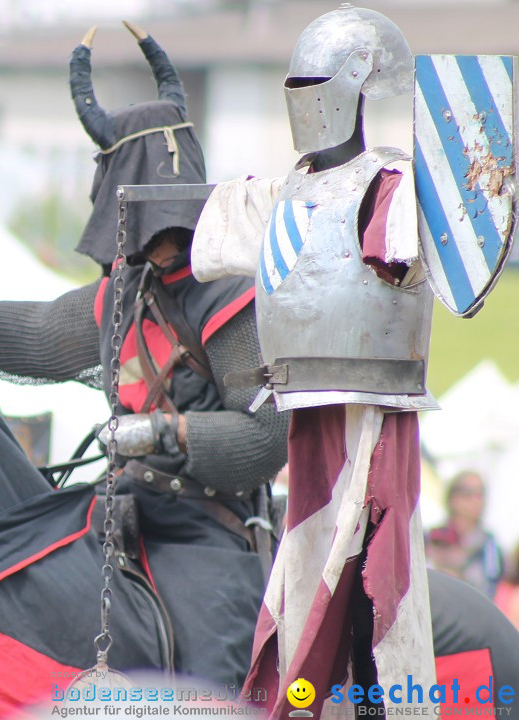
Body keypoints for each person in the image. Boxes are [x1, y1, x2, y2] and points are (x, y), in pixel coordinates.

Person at [0, 24, 288, 689]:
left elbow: (267, 438)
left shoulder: (230, 298)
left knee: (217, 686)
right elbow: (41, 332)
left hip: (204, 532)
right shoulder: (120, 297)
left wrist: (161, 430)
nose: (164, 238)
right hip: (113, 509)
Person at [193, 6, 437, 715]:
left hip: (374, 406)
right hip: (302, 409)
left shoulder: (393, 184)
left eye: (317, 82)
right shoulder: (282, 192)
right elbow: (200, 227)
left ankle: (379, 702)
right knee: (306, 570)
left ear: (358, 85)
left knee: (369, 568)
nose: (306, 98)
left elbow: (419, 245)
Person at [426, 470, 503, 598]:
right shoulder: (432, 537)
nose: (476, 501)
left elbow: (490, 588)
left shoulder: (489, 546)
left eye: (480, 494)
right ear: (452, 497)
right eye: (468, 494)